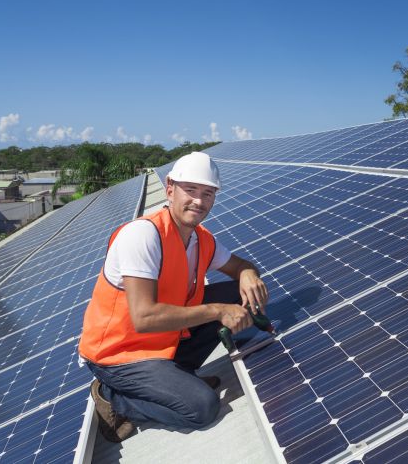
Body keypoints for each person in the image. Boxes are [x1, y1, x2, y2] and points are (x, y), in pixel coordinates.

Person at [78, 151, 268, 443]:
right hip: (118, 354)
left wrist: (248, 274)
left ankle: (177, 378)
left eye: (207, 193)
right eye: (190, 190)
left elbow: (241, 266)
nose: (198, 201)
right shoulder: (143, 236)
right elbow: (144, 318)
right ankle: (112, 396)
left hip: (161, 340)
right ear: (170, 189)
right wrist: (218, 311)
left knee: (237, 292)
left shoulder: (201, 239)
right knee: (202, 408)